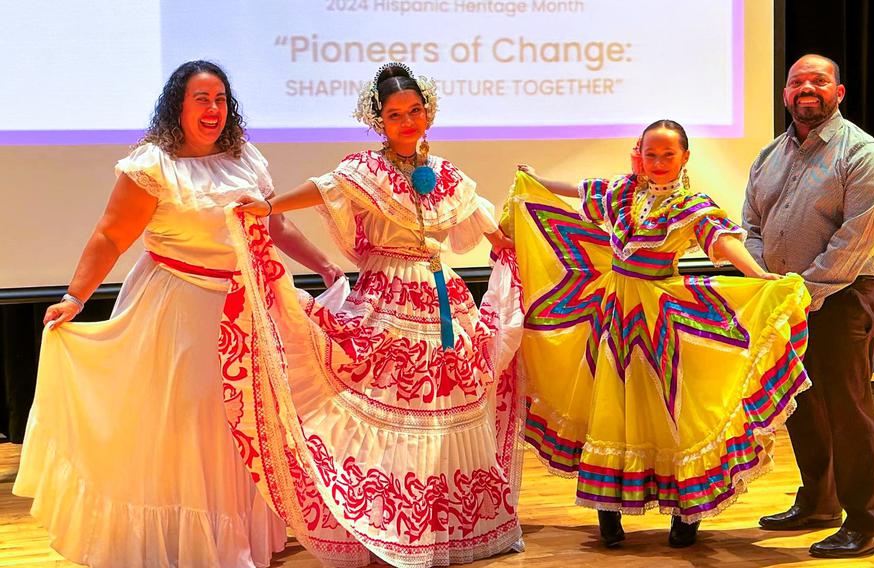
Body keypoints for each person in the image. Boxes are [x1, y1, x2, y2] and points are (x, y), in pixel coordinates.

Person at [12, 60, 345, 566]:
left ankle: (234, 537)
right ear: (178, 107)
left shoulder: (244, 159)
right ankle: (185, 541)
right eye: (201, 100)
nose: (213, 110)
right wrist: (76, 298)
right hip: (179, 306)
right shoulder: (153, 166)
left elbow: (271, 225)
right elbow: (110, 235)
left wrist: (322, 264)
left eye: (220, 100)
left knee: (240, 422)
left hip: (246, 307)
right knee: (191, 422)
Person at [232, 62, 525, 567]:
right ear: (380, 121)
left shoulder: (451, 176)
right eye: (395, 115)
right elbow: (323, 190)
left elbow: (485, 224)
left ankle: (446, 527)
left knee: (444, 415)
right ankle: (391, 525)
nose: (408, 121)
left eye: (414, 111)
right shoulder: (366, 171)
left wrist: (518, 245)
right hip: (389, 300)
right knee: (384, 406)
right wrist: (266, 208)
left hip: (445, 306)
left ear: (427, 112)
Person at [509, 119, 811, 548]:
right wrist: (535, 180)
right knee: (611, 408)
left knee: (675, 413)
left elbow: (721, 241)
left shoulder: (691, 205)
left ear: (685, 157)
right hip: (612, 313)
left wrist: (760, 275)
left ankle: (687, 514)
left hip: (661, 317)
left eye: (668, 154)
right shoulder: (622, 193)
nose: (658, 162)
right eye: (651, 154)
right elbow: (580, 190)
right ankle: (608, 511)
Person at [743, 54, 874, 558]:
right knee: (801, 406)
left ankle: (869, 524)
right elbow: (751, 226)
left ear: (839, 91)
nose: (807, 88)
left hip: (843, 300)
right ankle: (819, 503)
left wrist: (799, 293)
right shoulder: (769, 154)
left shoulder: (863, 154)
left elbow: (855, 241)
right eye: (797, 82)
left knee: (848, 412)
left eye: (819, 81)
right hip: (784, 300)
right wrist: (769, 283)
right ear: (786, 93)